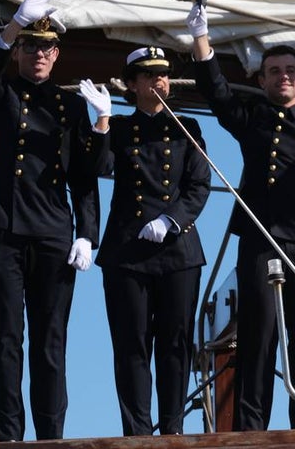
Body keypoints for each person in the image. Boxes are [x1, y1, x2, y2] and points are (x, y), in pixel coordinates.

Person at [187, 3, 295, 430]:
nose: (284, 77)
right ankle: (250, 429)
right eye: (274, 71)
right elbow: (218, 94)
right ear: (261, 80)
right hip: (261, 238)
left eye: (290, 70)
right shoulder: (254, 118)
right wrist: (201, 39)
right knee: (258, 337)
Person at [0, 0, 100, 442]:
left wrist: (88, 233)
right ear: (20, 50)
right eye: (30, 46)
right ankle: (5, 437)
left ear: (57, 54)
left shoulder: (70, 106)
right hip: (3, 225)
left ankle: (50, 437)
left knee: (50, 345)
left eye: (47, 48)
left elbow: (86, 174)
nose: (39, 54)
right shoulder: (1, 94)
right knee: (2, 340)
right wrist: (11, 26)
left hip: (52, 232)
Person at [79, 47, 212, 435]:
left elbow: (199, 184)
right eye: (150, 75)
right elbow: (95, 169)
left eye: (164, 74)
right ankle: (136, 433)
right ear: (132, 84)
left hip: (178, 250)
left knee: (175, 346)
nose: (159, 81)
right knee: (132, 347)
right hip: (127, 252)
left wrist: (171, 220)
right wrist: (102, 121)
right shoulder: (119, 129)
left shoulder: (188, 127)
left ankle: (171, 431)